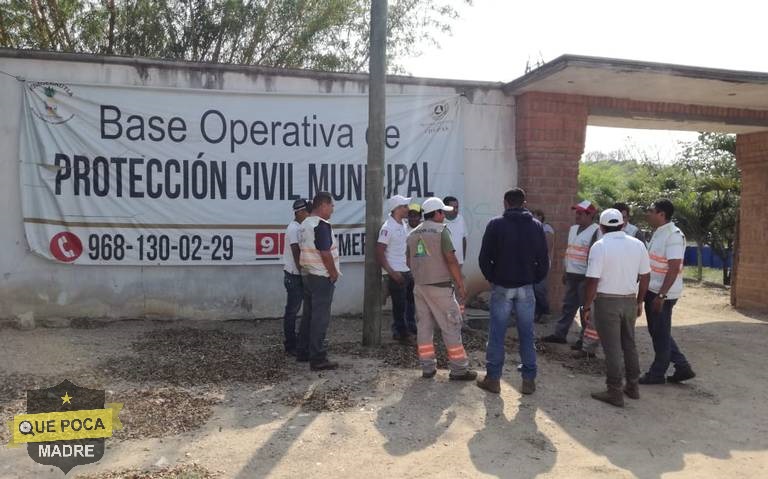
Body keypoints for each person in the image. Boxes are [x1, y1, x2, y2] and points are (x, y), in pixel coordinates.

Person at [476, 188, 549, 395]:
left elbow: (484, 258)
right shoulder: (536, 226)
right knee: (527, 334)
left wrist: (493, 278)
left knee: (497, 334)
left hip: (502, 286)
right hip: (525, 287)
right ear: (524, 203)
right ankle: (528, 381)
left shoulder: (495, 224)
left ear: (505, 203)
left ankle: (493, 379)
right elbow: (543, 260)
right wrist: (533, 279)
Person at [582, 209, 651, 407]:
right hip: (629, 300)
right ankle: (633, 386)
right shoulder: (638, 244)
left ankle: (614, 391)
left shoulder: (600, 246)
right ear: (622, 224)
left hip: (607, 302)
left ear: (602, 227)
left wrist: (586, 306)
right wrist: (640, 301)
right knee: (629, 344)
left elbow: (592, 280)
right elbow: (645, 276)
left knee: (612, 348)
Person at [406, 197, 476, 381]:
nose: (444, 215)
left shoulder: (412, 233)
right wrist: (460, 283)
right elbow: (451, 259)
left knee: (424, 328)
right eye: (442, 212)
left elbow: (408, 260)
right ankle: (459, 369)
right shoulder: (441, 231)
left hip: (420, 287)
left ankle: (427, 367)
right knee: (451, 326)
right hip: (440, 288)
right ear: (436, 213)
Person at [640, 199, 696, 384]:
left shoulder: (673, 236)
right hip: (652, 289)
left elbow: (673, 268)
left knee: (661, 334)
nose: (648, 213)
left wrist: (661, 295)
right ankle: (682, 367)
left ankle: (657, 374)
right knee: (658, 332)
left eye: (651, 210)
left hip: (662, 293)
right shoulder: (659, 232)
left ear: (662, 214)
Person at [542, 200, 601, 358]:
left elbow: (594, 256)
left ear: (590, 215)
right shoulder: (573, 229)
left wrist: (591, 278)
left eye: (581, 213)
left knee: (584, 309)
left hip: (585, 276)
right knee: (568, 306)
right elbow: (569, 252)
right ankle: (560, 334)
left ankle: (584, 339)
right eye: (577, 212)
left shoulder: (596, 231)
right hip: (572, 274)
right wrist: (565, 270)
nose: (577, 215)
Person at [297, 191, 341, 371]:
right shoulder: (321, 225)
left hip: (308, 275)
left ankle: (304, 351)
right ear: (323, 205)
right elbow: (325, 252)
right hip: (321, 276)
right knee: (320, 318)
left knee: (308, 315)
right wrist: (333, 273)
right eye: (331, 205)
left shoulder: (304, 224)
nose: (332, 209)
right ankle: (318, 357)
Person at [377, 194, 417, 341]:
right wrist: (392, 273)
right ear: (397, 209)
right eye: (405, 206)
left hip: (405, 270)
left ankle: (407, 329)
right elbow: (380, 252)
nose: (407, 209)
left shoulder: (403, 225)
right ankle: (401, 333)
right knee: (399, 305)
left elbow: (405, 248)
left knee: (409, 302)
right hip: (396, 271)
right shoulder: (387, 227)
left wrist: (409, 267)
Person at [281, 198, 311, 355]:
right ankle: (290, 344)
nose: (309, 214)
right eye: (307, 211)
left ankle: (299, 341)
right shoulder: (293, 228)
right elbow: (296, 252)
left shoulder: (300, 226)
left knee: (299, 310)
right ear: (300, 212)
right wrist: (304, 273)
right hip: (294, 275)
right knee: (292, 311)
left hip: (297, 274)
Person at [532, 209, 555, 322]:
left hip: (542, 263)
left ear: (540, 216)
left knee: (539, 288)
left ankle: (545, 312)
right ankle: (537, 313)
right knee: (533, 289)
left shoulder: (546, 229)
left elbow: (547, 247)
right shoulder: (533, 228)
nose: (533, 217)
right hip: (533, 263)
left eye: (535, 215)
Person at [443, 196, 468, 268]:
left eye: (457, 207)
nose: (456, 210)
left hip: (458, 263)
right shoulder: (440, 222)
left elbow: (463, 239)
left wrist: (462, 259)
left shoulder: (461, 219)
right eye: (453, 208)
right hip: (444, 264)